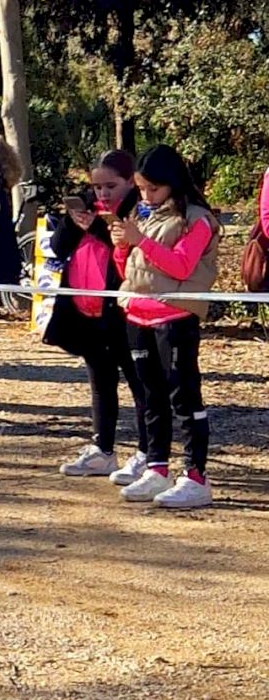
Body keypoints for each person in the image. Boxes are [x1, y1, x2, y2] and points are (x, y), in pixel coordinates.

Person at [112, 143, 219, 512]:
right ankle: (156, 467)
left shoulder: (196, 219)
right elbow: (129, 270)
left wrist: (140, 241)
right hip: (137, 315)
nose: (146, 196)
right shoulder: (143, 215)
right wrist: (121, 247)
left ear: (172, 182)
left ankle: (196, 476)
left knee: (184, 396)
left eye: (153, 189)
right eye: (141, 189)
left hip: (175, 318)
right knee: (150, 396)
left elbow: (181, 266)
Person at [43, 150, 149, 480]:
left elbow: (137, 254)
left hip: (124, 311)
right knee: (101, 382)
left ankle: (149, 455)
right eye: (97, 186)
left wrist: (102, 228)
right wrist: (73, 223)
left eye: (110, 186)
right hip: (84, 309)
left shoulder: (139, 208)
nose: (102, 193)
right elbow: (57, 248)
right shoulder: (87, 204)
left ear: (130, 181)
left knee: (140, 384)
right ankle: (102, 449)